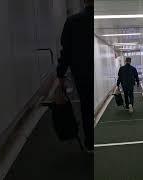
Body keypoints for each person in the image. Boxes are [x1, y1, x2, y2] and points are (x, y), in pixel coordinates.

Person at [56, 0, 93, 152]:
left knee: (86, 106)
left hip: (82, 73)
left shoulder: (72, 21)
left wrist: (60, 74)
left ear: (84, 1)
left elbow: (66, 52)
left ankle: (90, 143)